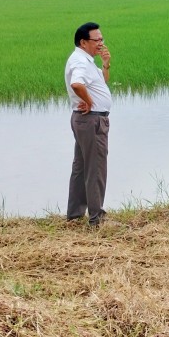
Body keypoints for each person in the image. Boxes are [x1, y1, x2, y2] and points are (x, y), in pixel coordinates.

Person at [64, 21, 112, 227]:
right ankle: (97, 219)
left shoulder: (85, 59)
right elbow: (77, 83)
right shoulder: (81, 62)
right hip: (91, 120)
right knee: (96, 168)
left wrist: (106, 64)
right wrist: (90, 102)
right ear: (83, 42)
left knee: (82, 166)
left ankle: (75, 214)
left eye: (102, 39)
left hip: (86, 120)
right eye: (97, 40)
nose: (101, 43)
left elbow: (102, 82)